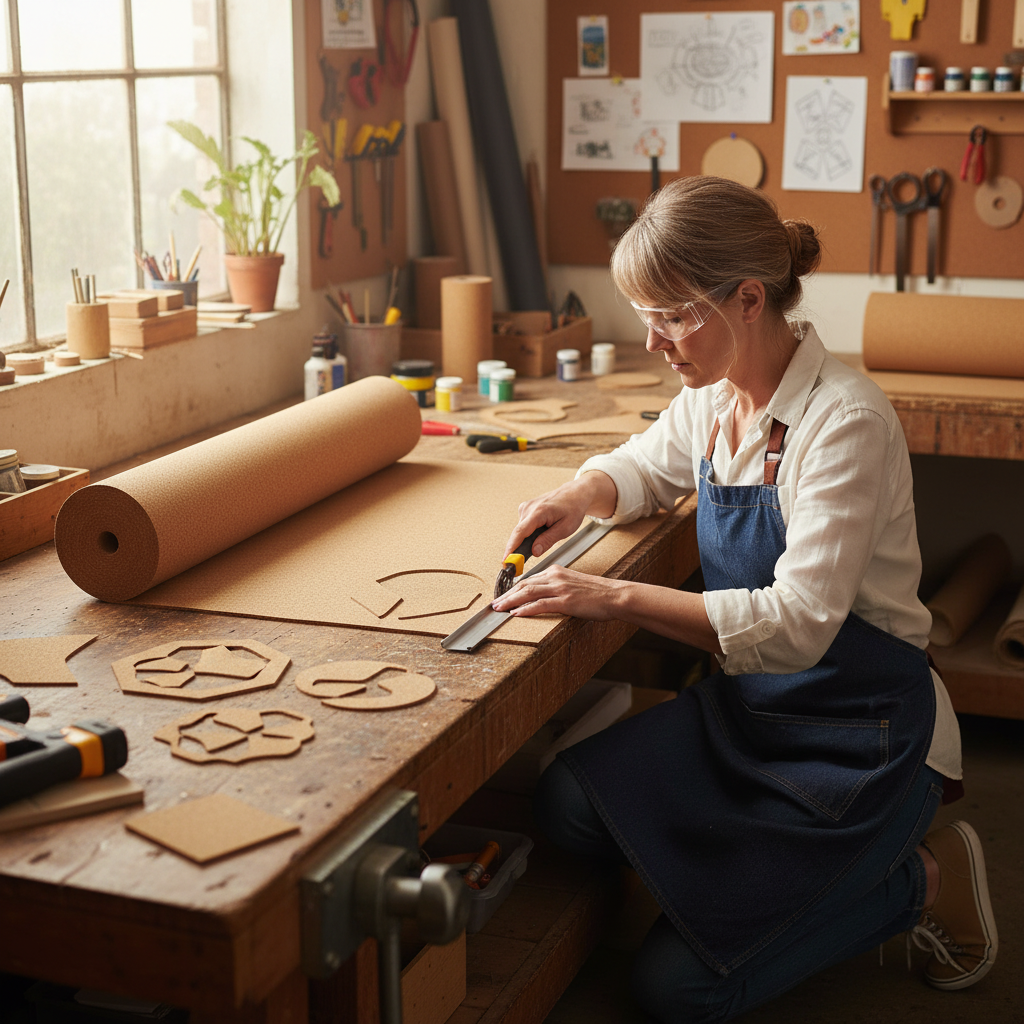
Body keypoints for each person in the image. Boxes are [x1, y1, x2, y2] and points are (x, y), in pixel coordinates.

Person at [491, 177, 997, 1022]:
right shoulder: (715, 397)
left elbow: (797, 629)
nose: (652, 341)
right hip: (754, 713)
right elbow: (644, 464)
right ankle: (741, 892)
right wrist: (579, 493)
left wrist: (613, 596)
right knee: (567, 805)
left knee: (675, 990)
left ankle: (922, 879)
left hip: (861, 733)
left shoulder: (844, 424)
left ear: (748, 299)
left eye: (669, 316)